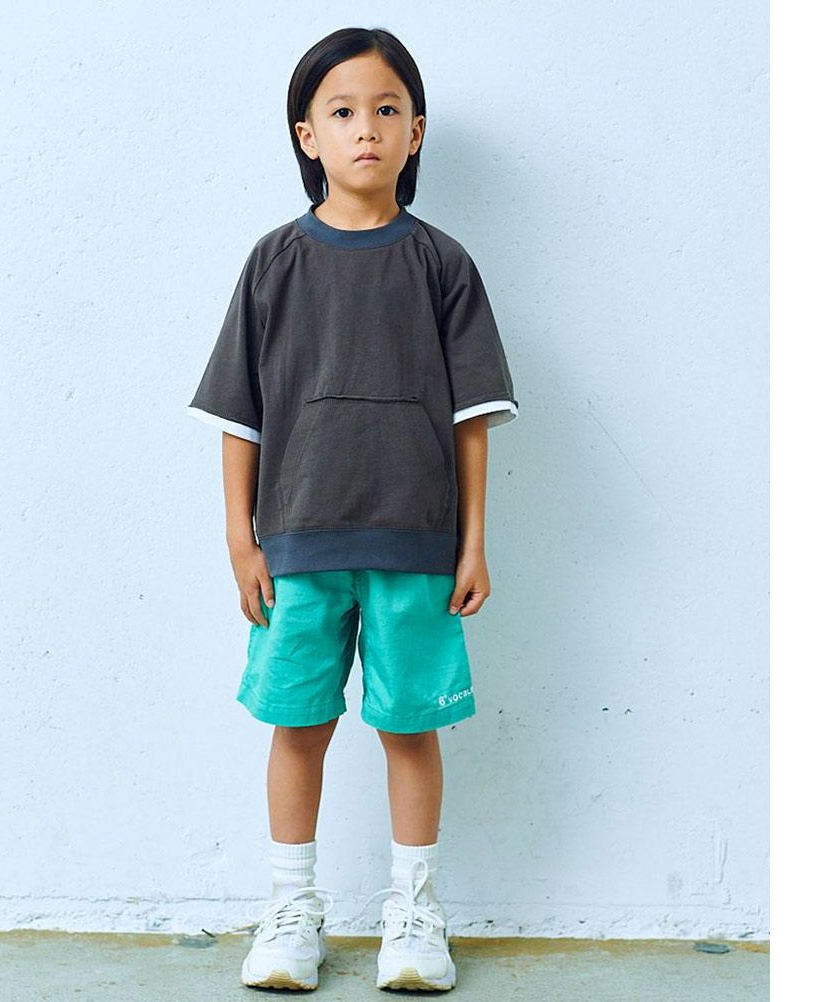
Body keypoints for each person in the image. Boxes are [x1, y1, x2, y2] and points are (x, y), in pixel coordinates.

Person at [186, 26, 519, 992]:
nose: (365, 128)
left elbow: (471, 421)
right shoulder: (274, 262)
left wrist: (473, 542)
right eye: (342, 112)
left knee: (409, 727)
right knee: (298, 725)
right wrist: (241, 542)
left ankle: (413, 915)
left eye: (386, 110)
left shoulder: (443, 264)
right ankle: (292, 909)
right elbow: (239, 418)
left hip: (417, 545)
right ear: (308, 135)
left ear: (417, 132)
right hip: (296, 545)